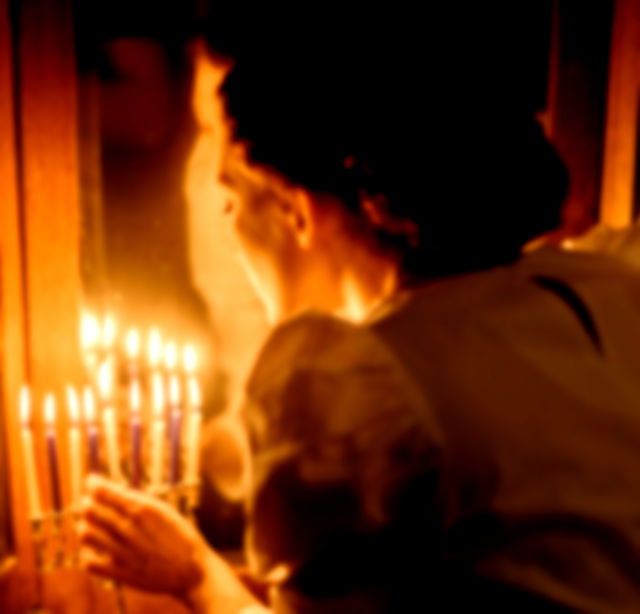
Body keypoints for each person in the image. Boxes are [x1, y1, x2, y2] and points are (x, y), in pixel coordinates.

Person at [79, 6, 640, 613]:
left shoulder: (360, 390)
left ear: (295, 209)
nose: (226, 227)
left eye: (229, 200)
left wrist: (196, 579)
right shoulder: (606, 289)